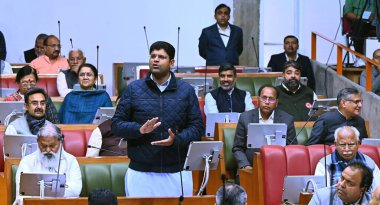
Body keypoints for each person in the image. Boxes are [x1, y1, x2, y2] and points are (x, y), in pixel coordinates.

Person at [111, 41, 203, 197]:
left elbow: (196, 127)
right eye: (153, 56)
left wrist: (177, 140)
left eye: (161, 57)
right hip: (141, 172)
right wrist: (138, 129)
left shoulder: (186, 91)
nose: (155, 60)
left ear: (172, 62)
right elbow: (116, 124)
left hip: (176, 170)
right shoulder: (133, 89)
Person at [13, 123, 82, 205]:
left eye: (52, 146)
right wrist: (57, 190)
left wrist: (39, 191)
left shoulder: (71, 161)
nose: (48, 150)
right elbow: (22, 194)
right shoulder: (27, 162)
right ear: (38, 142)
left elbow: (75, 190)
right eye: (43, 146)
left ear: (60, 142)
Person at [232, 84, 297, 169]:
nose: (267, 102)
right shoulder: (245, 118)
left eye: (271, 99)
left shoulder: (287, 119)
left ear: (276, 102)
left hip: (278, 167)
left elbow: (292, 148)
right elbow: (237, 148)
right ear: (258, 100)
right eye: (264, 98)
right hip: (250, 167)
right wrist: (245, 165)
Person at [314, 126, 380, 189]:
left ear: (358, 144)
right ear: (335, 144)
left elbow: (378, 190)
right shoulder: (325, 164)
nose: (347, 149)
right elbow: (322, 193)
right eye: (342, 144)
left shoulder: (368, 163)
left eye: (351, 144)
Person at [309, 162, 373, 205]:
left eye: (349, 183)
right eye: (342, 178)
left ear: (363, 189)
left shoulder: (374, 202)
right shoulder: (321, 196)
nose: (341, 184)